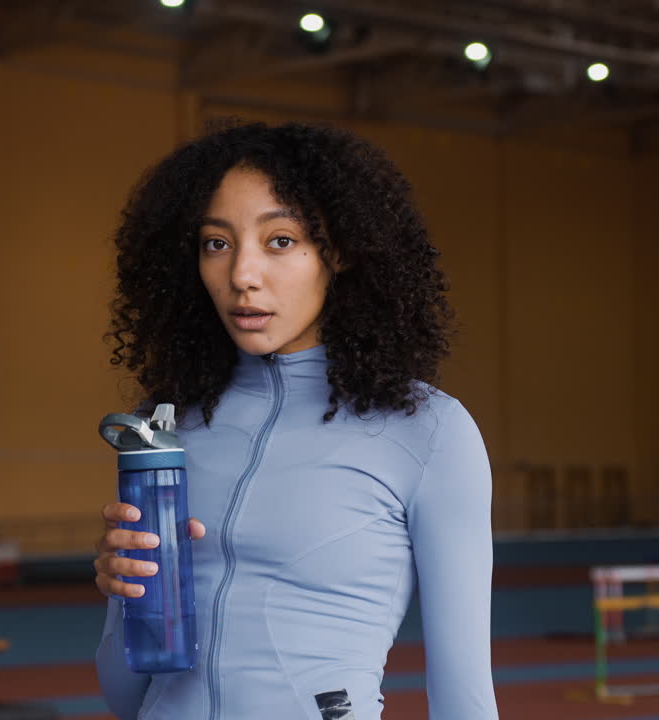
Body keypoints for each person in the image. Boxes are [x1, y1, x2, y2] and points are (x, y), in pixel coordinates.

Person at [93, 120, 497, 719]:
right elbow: (127, 698)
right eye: (216, 242)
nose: (241, 275)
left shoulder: (427, 431)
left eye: (280, 240)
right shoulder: (171, 430)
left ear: (339, 252)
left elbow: (463, 694)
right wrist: (126, 598)